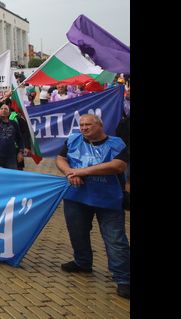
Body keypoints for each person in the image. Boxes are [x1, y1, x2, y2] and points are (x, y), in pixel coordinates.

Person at [56, 114, 130, 299]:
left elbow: (118, 166)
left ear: (100, 126)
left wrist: (82, 171)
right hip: (76, 197)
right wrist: (69, 173)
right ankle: (82, 262)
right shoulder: (73, 140)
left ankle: (124, 279)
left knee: (115, 240)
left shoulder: (117, 144)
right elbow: (60, 158)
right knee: (77, 233)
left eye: (88, 124)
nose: (84, 128)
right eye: (81, 125)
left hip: (108, 199)